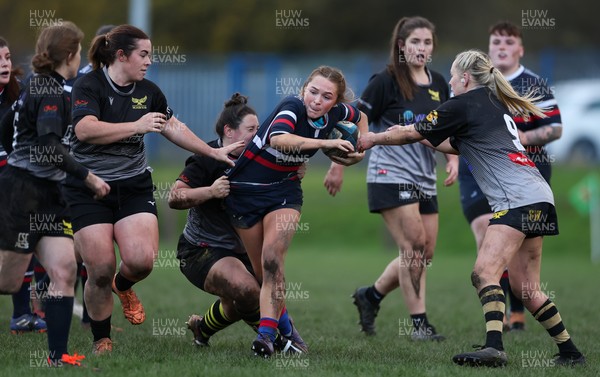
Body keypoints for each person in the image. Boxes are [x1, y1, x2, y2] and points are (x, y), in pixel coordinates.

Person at [358, 49, 585, 367]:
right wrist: (418, 135)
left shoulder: (462, 103)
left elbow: (413, 131)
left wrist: (372, 139)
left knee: (484, 272)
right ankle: (570, 352)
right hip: (540, 198)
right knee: (526, 287)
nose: (449, 81)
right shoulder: (494, 103)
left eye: (452, 75)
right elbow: (450, 143)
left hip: (516, 200)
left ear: (465, 78)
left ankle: (494, 347)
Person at [62, 24, 243, 355]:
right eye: (143, 55)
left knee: (142, 261)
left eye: (150, 55)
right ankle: (102, 338)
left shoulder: (149, 91)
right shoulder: (88, 86)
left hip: (132, 185)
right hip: (88, 187)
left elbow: (173, 127)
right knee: (99, 269)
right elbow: (85, 130)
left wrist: (213, 151)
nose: (149, 61)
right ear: (121, 55)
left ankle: (124, 285)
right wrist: (137, 125)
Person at [324, 16, 457, 339]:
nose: (422, 48)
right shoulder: (385, 81)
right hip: (389, 174)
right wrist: (339, 163)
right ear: (401, 45)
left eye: (427, 42)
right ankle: (419, 325)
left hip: (425, 178)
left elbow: (449, 126)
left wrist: (451, 157)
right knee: (412, 246)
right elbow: (354, 119)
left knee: (425, 253)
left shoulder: (440, 83)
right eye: (415, 42)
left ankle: (370, 295)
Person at [225, 65, 368, 357]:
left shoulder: (338, 114)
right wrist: (326, 143)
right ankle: (290, 334)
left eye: (326, 96)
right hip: (244, 192)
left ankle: (265, 338)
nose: (317, 100)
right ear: (304, 90)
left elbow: (362, 117)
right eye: (312, 91)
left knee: (271, 259)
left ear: (336, 102)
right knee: (262, 274)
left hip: (284, 191)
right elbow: (279, 139)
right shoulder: (292, 106)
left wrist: (356, 152)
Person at [0, 22, 110, 367]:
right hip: (24, 195)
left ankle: (57, 357)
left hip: (49, 194)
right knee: (7, 281)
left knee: (63, 269)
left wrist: (17, 152)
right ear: (69, 54)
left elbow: (6, 127)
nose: (81, 57)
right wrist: (87, 176)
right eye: (79, 51)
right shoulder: (47, 89)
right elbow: (48, 143)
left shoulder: (41, 85)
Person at [169, 93, 303, 353]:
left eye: (258, 130)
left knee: (238, 302)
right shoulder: (206, 158)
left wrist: (298, 169)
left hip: (241, 251)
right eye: (251, 130)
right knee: (247, 289)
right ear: (229, 132)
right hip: (201, 249)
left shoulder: (262, 158)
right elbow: (174, 197)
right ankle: (278, 340)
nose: (257, 136)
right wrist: (210, 191)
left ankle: (202, 329)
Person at [457, 20, 563, 332]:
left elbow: (556, 128)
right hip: (478, 173)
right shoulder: (476, 86)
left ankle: (518, 309)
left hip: (528, 179)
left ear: (520, 49)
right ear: (488, 49)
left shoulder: (535, 84)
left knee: (520, 259)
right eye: (496, 42)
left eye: (508, 42)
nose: (501, 47)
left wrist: (515, 140)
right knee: (486, 237)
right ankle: (499, 318)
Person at [0, 36, 49, 335]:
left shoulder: (18, 96)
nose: (4, 64)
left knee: (25, 242)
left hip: (15, 188)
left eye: (6, 58)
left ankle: (22, 314)